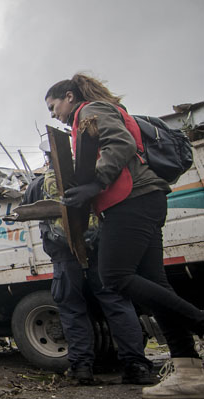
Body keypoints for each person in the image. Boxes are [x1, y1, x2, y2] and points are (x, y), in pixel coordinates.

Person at [45, 73, 204, 398]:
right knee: (156, 286)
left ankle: (199, 322)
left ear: (70, 97)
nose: (53, 114)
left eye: (54, 105)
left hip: (130, 201)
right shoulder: (92, 113)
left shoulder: (91, 111)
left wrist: (96, 182)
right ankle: (189, 371)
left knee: (115, 276)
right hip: (143, 201)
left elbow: (121, 144)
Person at [22, 144, 152, 385]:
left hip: (63, 254)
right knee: (116, 302)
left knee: (71, 308)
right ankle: (136, 366)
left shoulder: (38, 184)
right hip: (100, 250)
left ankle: (82, 369)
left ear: (47, 159)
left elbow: (27, 210)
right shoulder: (91, 177)